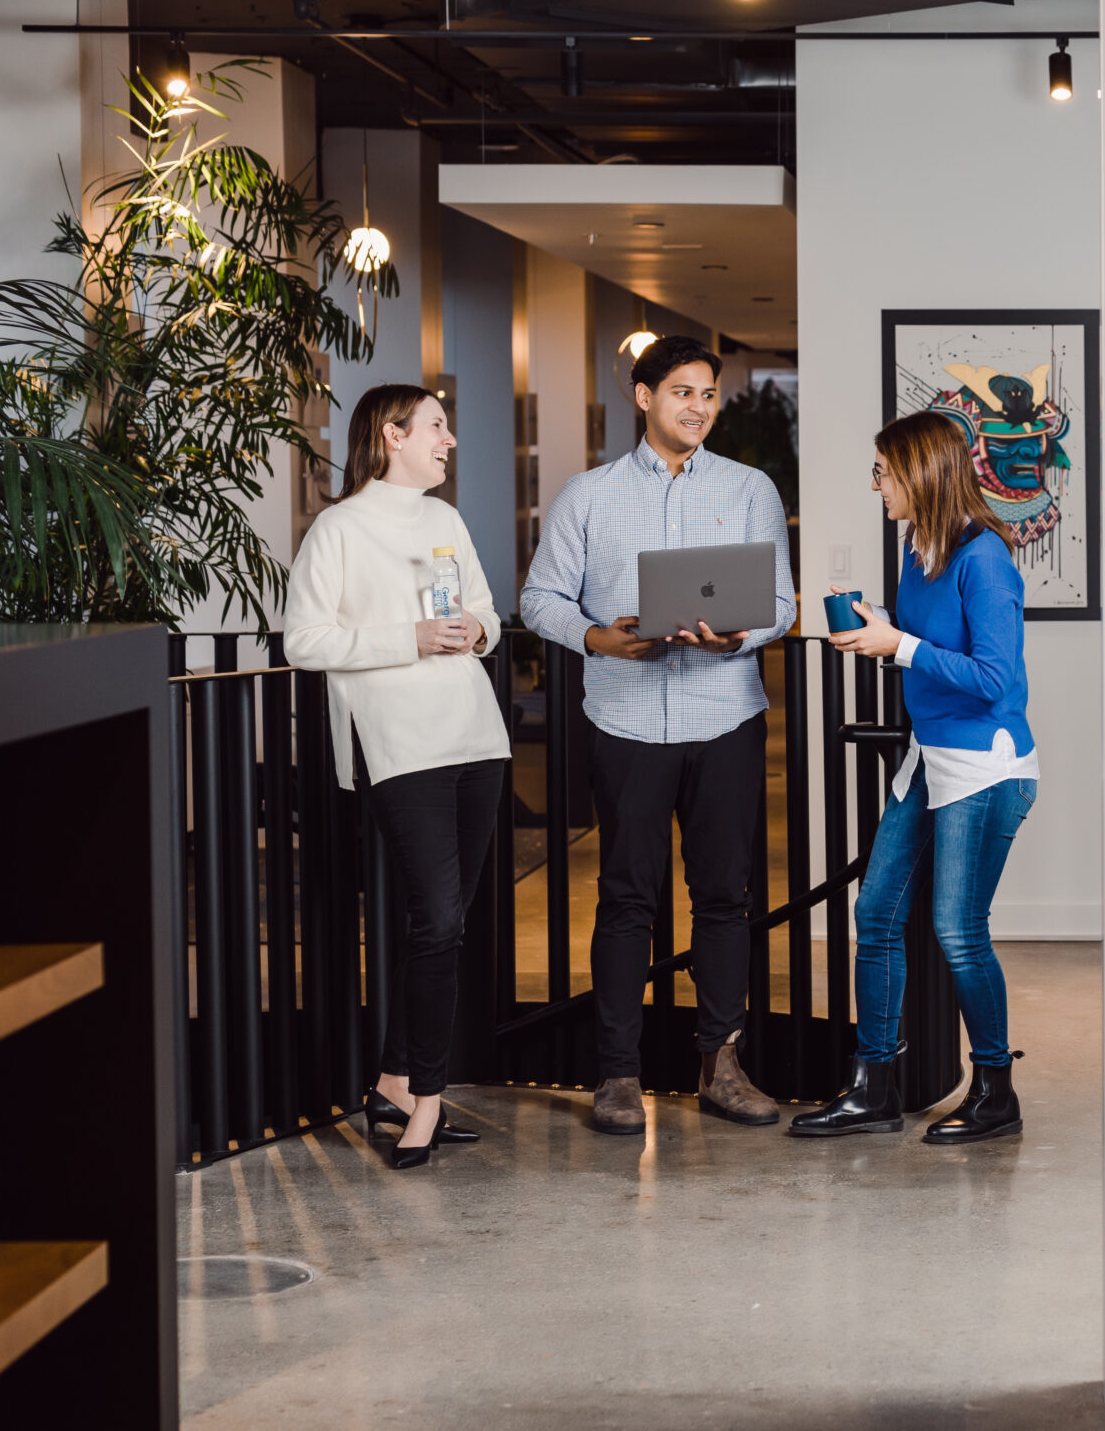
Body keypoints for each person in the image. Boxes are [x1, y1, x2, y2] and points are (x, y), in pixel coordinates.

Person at [519, 335, 796, 1135]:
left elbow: (779, 601)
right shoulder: (589, 496)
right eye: (682, 393)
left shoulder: (750, 489)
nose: (699, 408)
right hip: (626, 721)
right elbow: (541, 599)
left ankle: (721, 1065)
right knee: (625, 898)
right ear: (644, 398)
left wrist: (735, 635)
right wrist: (600, 638)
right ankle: (617, 1074)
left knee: (723, 897)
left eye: (708, 394)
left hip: (724, 717)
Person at [791, 410, 1037, 1144]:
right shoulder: (918, 545)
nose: (876, 486)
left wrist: (896, 645)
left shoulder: (984, 556)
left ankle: (996, 1090)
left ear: (921, 473)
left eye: (882, 473)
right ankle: (875, 1086)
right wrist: (883, 621)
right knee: (876, 915)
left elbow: (994, 678)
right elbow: (934, 636)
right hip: (930, 759)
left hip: (987, 765)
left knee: (958, 929)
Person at [286, 384, 510, 1171]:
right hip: (401, 744)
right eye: (438, 427)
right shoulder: (338, 528)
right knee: (438, 920)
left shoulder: (445, 520)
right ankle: (428, 1098)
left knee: (442, 925)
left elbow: (487, 615)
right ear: (392, 435)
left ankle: (391, 1080)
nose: (449, 440)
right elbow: (304, 639)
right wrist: (410, 636)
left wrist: (474, 628)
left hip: (477, 737)